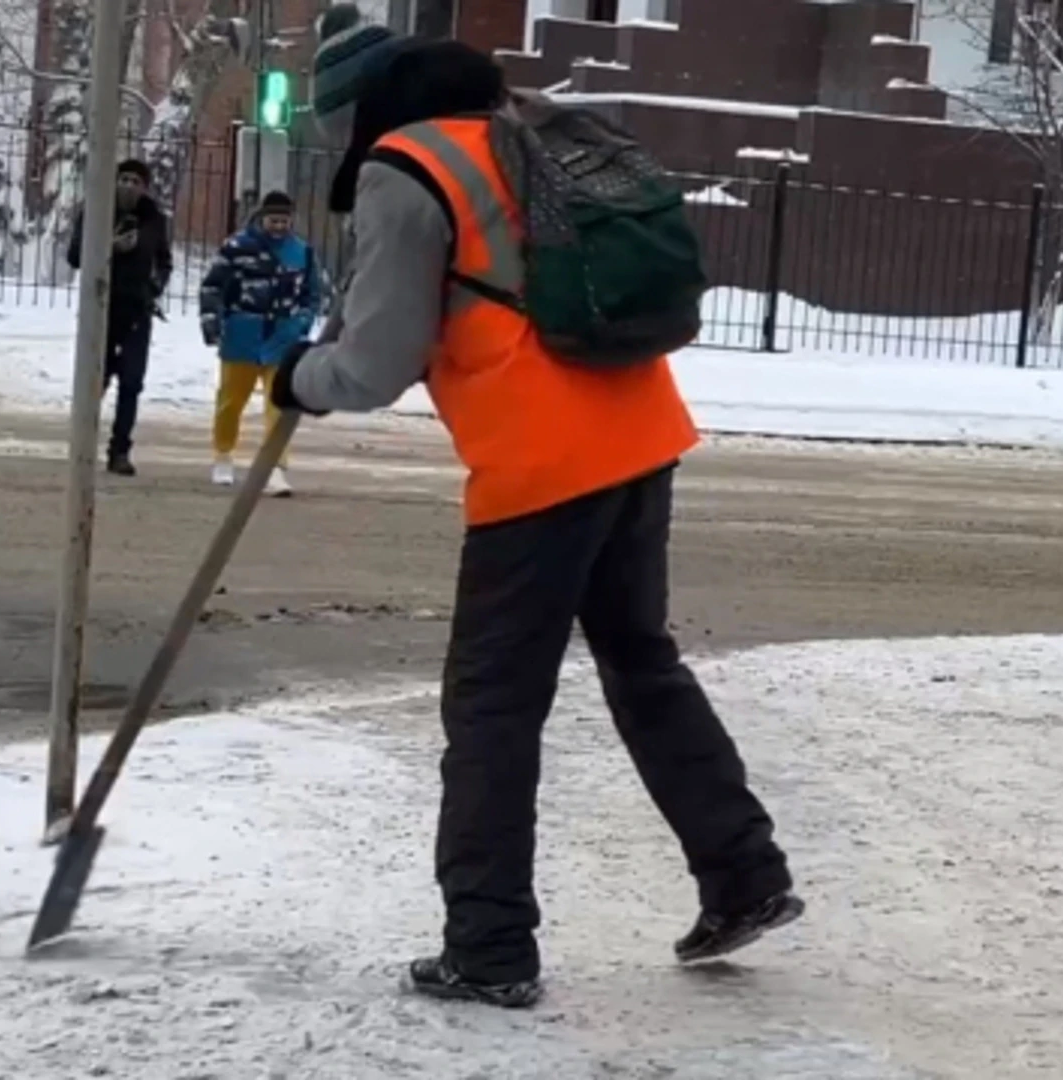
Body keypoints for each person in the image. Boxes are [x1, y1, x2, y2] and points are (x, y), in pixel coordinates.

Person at [271, 7, 801, 1009]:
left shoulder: (404, 166)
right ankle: (745, 874)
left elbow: (377, 364)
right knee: (643, 663)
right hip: (640, 431)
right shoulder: (519, 129)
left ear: (360, 115)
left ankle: (489, 946)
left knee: (493, 708)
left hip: (540, 464)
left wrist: (302, 376)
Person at [198, 190, 320, 497]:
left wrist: (303, 321)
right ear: (261, 218)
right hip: (242, 334)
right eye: (273, 219)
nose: (278, 226)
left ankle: (275, 467)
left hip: (283, 337)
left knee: (279, 406)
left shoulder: (302, 253)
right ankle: (223, 455)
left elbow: (313, 293)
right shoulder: (237, 247)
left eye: (284, 220)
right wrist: (212, 322)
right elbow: (213, 285)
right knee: (230, 401)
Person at [67, 159, 172, 476]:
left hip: (137, 310)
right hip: (102, 307)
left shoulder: (154, 220)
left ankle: (120, 450)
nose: (129, 186)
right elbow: (75, 256)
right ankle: (83, 445)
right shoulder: (96, 211)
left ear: (145, 187)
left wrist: (154, 287)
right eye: (123, 179)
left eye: (135, 181)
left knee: (131, 382)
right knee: (95, 380)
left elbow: (164, 260)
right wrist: (108, 247)